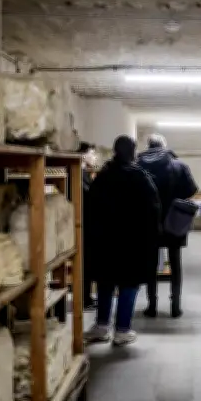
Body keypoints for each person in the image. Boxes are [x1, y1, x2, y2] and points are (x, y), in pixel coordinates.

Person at [84, 135, 161, 346]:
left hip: (105, 241)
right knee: (129, 283)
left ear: (115, 151)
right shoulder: (140, 177)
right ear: (133, 152)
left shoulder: (103, 176)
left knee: (105, 282)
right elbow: (154, 209)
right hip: (132, 242)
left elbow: (90, 208)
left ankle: (101, 326)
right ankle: (122, 330)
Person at [137, 133, 198, 318]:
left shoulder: (138, 166)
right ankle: (175, 306)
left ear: (148, 146)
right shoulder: (178, 166)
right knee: (175, 262)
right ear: (164, 146)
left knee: (150, 264)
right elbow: (192, 189)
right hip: (174, 219)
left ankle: (152, 305)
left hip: (148, 221)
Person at [77, 142, 98, 310]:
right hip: (83, 225)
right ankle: (84, 298)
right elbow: (88, 196)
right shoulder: (77, 173)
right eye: (92, 153)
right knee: (84, 263)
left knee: (88, 263)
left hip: (88, 224)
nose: (95, 157)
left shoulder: (84, 173)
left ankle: (87, 297)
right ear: (83, 155)